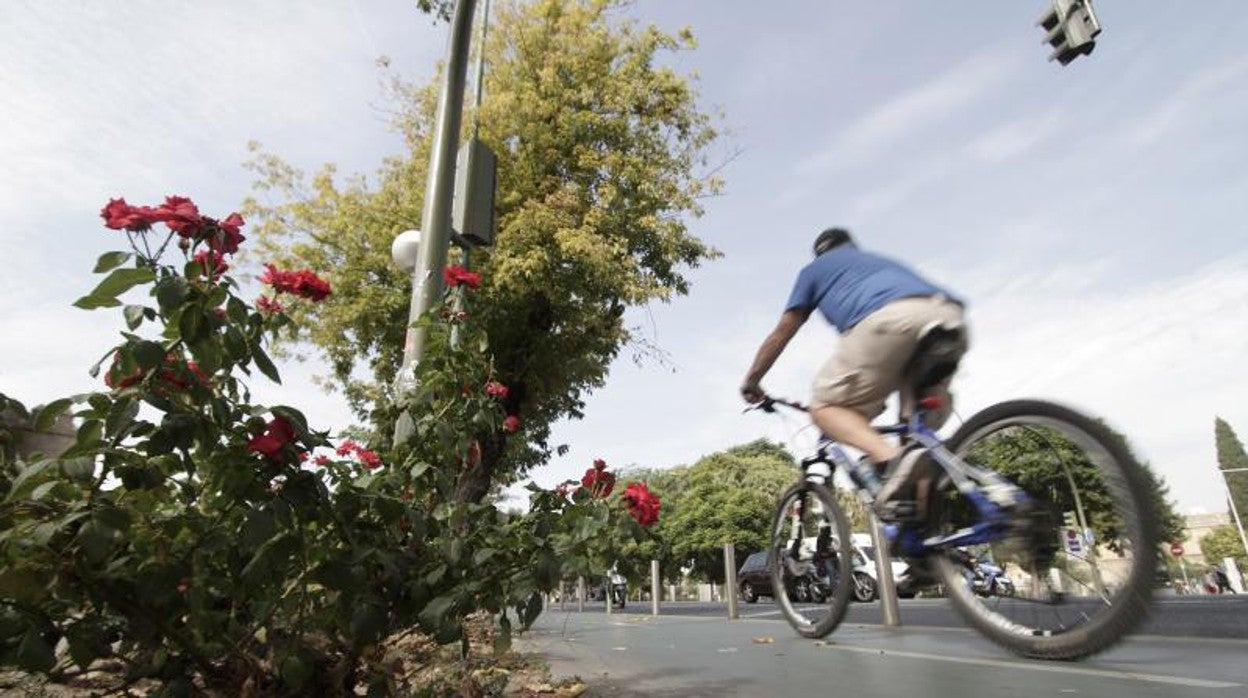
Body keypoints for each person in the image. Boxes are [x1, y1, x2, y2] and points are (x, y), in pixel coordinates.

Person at [740, 227, 968, 519]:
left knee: (825, 409)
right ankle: (926, 531)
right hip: (948, 318)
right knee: (914, 439)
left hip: (890, 321)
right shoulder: (876, 261)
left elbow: (784, 330)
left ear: (820, 253)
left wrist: (753, 380)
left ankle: (888, 460)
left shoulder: (814, 270)